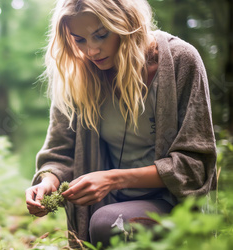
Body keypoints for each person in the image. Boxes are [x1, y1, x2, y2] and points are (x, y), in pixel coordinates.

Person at [25, 0, 217, 246]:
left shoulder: (180, 60)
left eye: (100, 35)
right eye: (79, 40)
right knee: (105, 217)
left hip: (173, 205)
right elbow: (61, 151)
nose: (91, 51)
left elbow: (195, 165)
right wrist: (48, 181)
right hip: (107, 203)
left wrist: (113, 178)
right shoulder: (79, 74)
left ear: (127, 23)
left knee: (108, 222)